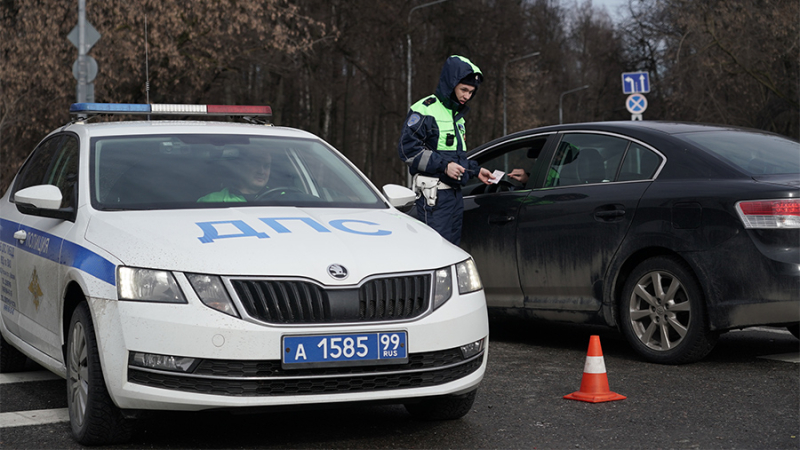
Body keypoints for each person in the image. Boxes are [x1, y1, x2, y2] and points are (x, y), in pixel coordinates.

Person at [398, 55, 495, 245]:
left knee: (452, 252)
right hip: (434, 198)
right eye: (463, 90)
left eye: (471, 92)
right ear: (451, 84)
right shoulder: (425, 110)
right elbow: (407, 150)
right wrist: (444, 166)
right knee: (435, 252)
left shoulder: (458, 117)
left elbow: (454, 158)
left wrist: (475, 171)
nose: (467, 96)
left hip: (454, 196)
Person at [198, 148, 272, 202]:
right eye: (255, 164)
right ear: (241, 166)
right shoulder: (212, 200)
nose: (261, 171)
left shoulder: (278, 196)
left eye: (266, 166)